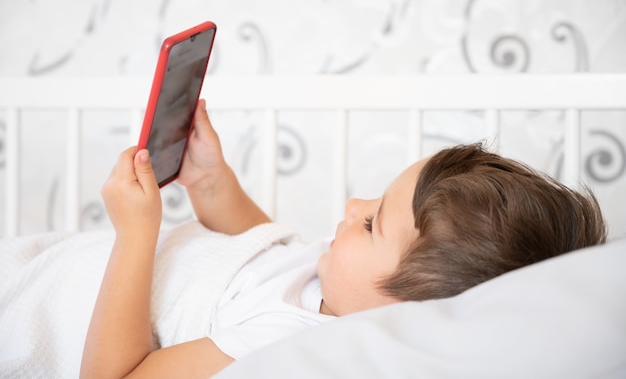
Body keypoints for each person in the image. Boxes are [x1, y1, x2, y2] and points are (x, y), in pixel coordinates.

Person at [80, 99, 607, 378]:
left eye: (373, 223)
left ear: (409, 310)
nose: (353, 207)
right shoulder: (331, 283)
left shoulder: (281, 347)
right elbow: (259, 248)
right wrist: (212, 181)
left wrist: (136, 231)